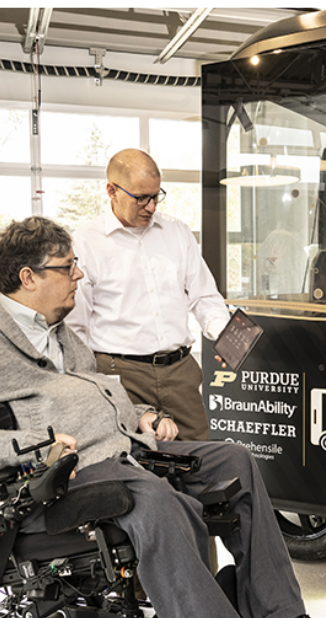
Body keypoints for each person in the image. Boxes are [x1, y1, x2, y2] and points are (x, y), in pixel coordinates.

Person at [0, 216, 326, 618]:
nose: (78, 275)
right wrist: (28, 446)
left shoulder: (58, 329)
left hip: (124, 449)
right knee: (160, 503)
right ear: (29, 277)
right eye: (67, 267)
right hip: (63, 479)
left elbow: (94, 391)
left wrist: (143, 415)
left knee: (233, 460)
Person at [65, 148, 227, 441]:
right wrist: (90, 385)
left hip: (180, 373)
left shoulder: (177, 233)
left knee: (202, 460)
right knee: (134, 463)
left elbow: (204, 296)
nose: (151, 207)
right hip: (120, 374)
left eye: (156, 195)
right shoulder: (85, 243)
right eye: (141, 197)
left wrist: (225, 335)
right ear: (111, 190)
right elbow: (76, 329)